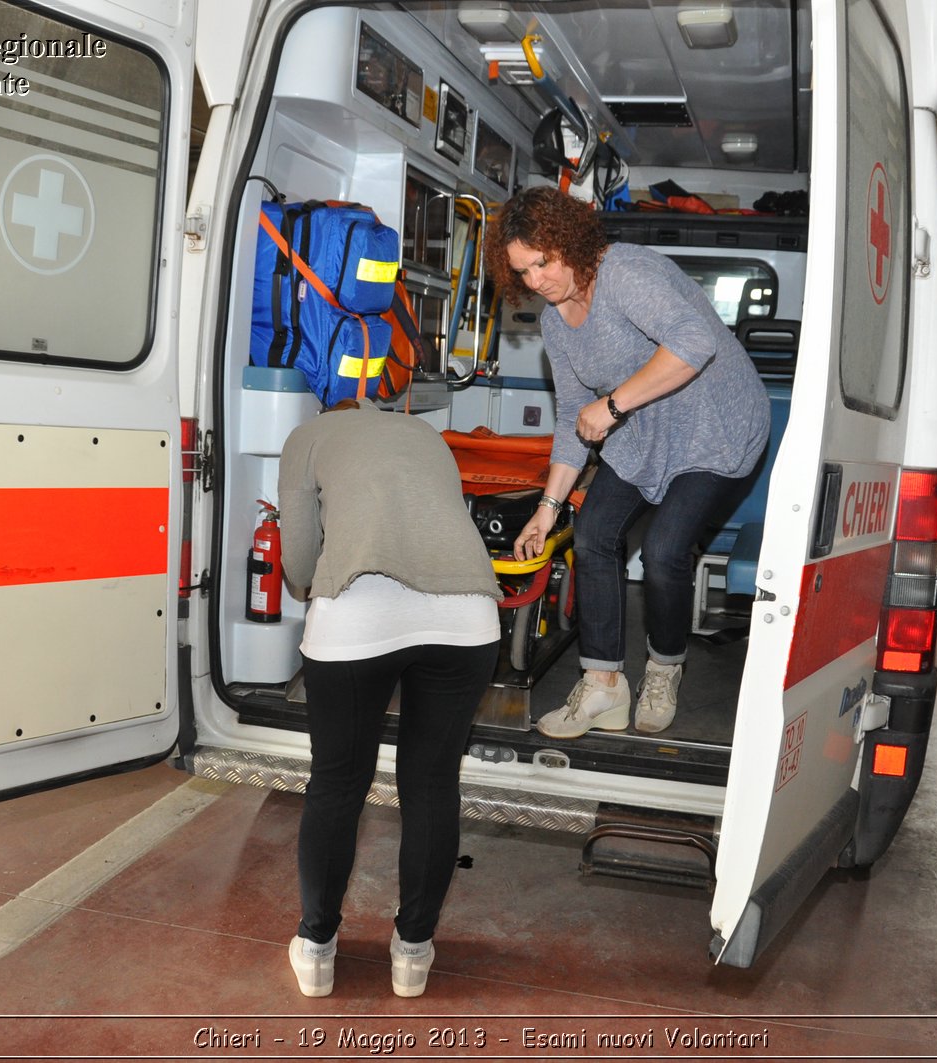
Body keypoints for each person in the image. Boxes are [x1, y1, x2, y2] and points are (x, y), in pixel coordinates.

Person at [483, 187, 769, 739]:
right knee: (591, 533)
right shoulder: (553, 322)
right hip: (647, 426)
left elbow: (695, 342)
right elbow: (573, 415)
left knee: (663, 550)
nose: (536, 280)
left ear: (569, 242)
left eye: (542, 262)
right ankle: (604, 685)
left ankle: (664, 668)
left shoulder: (626, 274)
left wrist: (612, 405)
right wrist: (547, 508)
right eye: (522, 271)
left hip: (716, 423)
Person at [276, 397, 502, 999]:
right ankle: (413, 953)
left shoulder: (309, 436)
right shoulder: (424, 434)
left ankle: (318, 950)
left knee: (336, 787)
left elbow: (298, 561)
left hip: (357, 617)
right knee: (431, 785)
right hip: (467, 619)